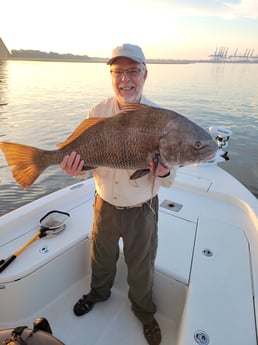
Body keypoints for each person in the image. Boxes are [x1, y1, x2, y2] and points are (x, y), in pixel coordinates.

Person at [60, 43, 174, 345]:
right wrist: (76, 168)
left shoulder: (159, 119)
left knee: (141, 265)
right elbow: (86, 159)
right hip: (105, 205)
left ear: (145, 74)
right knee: (101, 257)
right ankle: (98, 293)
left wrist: (163, 173)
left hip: (142, 209)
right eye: (118, 72)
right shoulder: (97, 112)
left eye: (132, 71)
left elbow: (171, 175)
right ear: (110, 76)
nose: (125, 79)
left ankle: (145, 312)